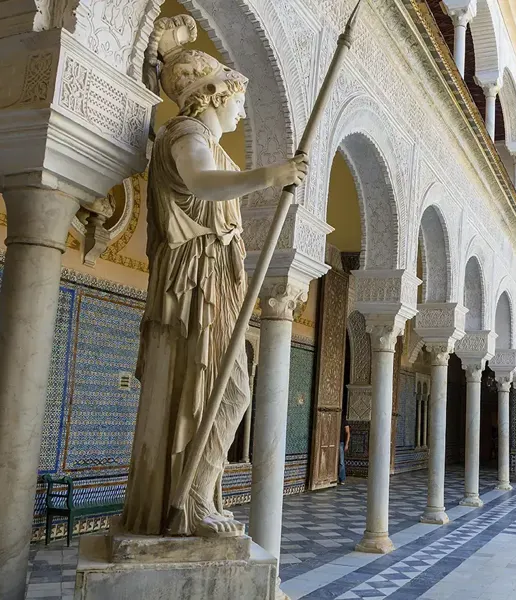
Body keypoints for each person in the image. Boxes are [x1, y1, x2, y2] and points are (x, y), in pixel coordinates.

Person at [122, 15, 308, 538]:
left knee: (219, 390)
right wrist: (270, 175)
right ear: (212, 96)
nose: (244, 109)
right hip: (193, 286)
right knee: (217, 390)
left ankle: (197, 496)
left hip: (214, 284)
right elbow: (202, 183)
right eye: (238, 98)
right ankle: (191, 501)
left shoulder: (207, 140)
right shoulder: (187, 134)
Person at [338, 417, 350, 485]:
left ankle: (342, 479)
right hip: (332, 443)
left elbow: (348, 433)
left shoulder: (343, 421)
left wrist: (346, 444)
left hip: (341, 443)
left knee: (341, 461)